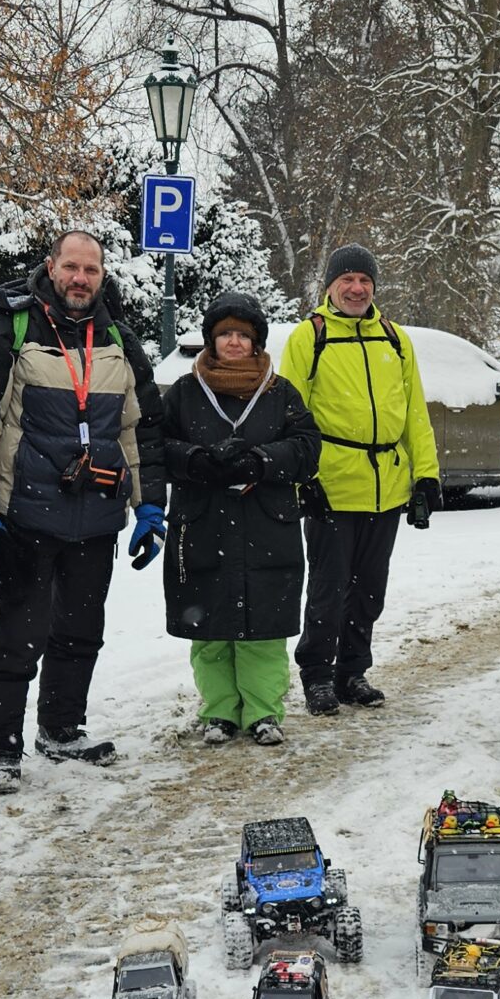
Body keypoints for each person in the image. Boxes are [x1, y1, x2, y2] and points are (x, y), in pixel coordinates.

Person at [0, 228, 166, 795]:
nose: (80, 279)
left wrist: (150, 506)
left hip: (96, 515)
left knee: (80, 632)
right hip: (24, 515)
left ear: (102, 276)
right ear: (51, 268)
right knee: (16, 635)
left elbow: (141, 429)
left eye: (90, 270)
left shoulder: (119, 337)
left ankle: (62, 728)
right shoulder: (11, 328)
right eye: (71, 267)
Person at [280, 243, 440, 716]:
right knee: (328, 590)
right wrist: (302, 479)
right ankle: (317, 674)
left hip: (386, 486)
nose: (356, 288)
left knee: (370, 590)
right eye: (347, 280)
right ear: (330, 286)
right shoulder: (310, 337)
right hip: (331, 486)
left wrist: (426, 475)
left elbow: (414, 412)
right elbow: (290, 413)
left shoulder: (394, 338)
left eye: (364, 280)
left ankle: (352, 672)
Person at [156, 292, 321, 746]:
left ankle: (263, 712)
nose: (234, 342)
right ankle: (219, 711)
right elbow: (157, 446)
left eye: (243, 335)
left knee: (263, 629)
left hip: (266, 526)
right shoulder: (185, 392)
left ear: (256, 342)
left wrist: (261, 461)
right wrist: (194, 460)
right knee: (209, 628)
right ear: (211, 340)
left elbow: (308, 447)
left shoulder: (280, 392)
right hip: (203, 525)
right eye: (225, 333)